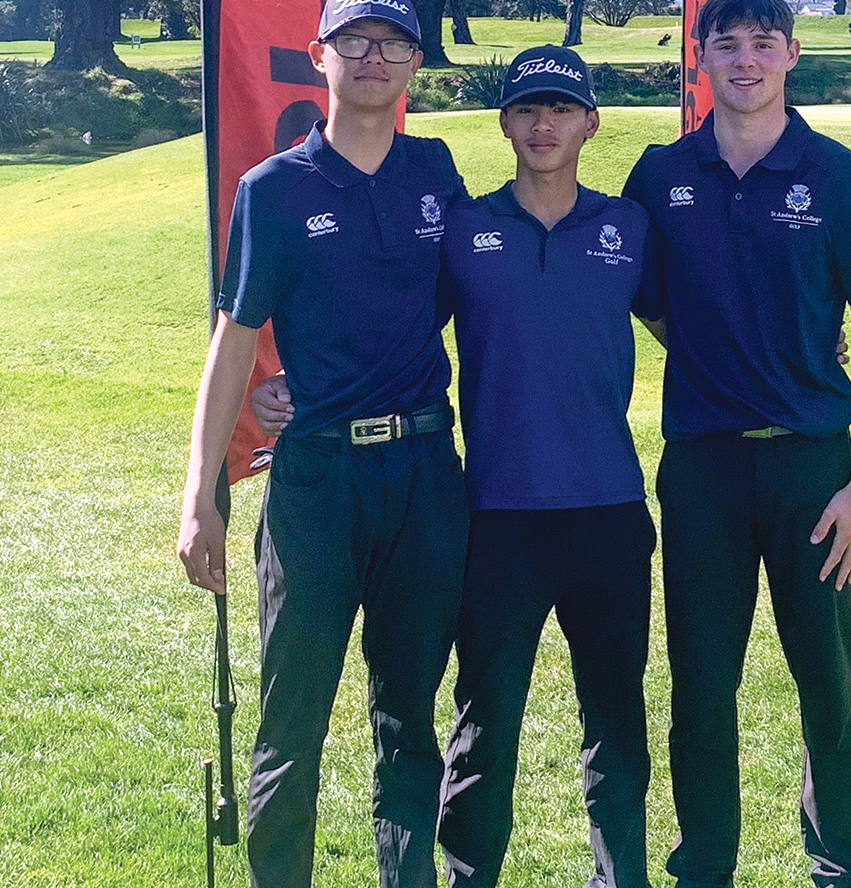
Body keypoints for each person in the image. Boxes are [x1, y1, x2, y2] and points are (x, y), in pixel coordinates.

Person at [252, 46, 659, 888]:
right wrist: (291, 386)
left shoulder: (629, 229)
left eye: (561, 108)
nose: (543, 124)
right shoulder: (467, 230)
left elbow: (695, 319)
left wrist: (809, 346)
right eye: (525, 109)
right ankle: (471, 875)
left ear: (591, 122)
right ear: (504, 122)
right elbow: (378, 307)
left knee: (618, 720)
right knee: (484, 724)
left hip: (611, 512)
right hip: (496, 517)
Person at [175, 0, 470, 888]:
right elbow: (232, 345)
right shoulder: (274, 189)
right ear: (321, 58)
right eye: (356, 41)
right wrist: (200, 494)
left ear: (416, 63)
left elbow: (480, 304)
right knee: (291, 724)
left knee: (407, 723)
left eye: (393, 42)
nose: (374, 56)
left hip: (425, 474)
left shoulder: (437, 173)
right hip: (315, 486)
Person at [621, 0, 851, 888]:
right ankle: (704, 867)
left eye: (763, 42)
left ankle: (841, 866)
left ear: (790, 54)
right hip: (701, 469)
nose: (745, 59)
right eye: (727, 42)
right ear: (698, 56)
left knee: (829, 685)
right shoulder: (661, 177)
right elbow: (654, 309)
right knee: (702, 690)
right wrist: (718, 359)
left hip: (813, 470)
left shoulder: (841, 177)